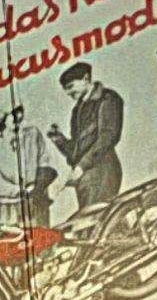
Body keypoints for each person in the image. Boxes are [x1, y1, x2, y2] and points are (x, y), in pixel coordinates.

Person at [48, 65, 124, 212]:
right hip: (85, 178)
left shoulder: (108, 99)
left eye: (71, 86)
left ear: (86, 79)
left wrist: (81, 166)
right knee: (90, 225)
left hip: (102, 173)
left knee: (95, 224)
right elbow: (77, 150)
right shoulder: (77, 110)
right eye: (66, 89)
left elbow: (108, 137)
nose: (68, 92)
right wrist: (59, 139)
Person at [0, 104, 54, 227]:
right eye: (14, 118)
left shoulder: (33, 134)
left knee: (41, 239)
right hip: (10, 207)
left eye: (20, 117)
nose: (19, 123)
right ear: (2, 122)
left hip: (36, 201)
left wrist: (39, 186)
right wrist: (21, 191)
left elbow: (44, 160)